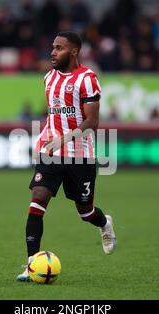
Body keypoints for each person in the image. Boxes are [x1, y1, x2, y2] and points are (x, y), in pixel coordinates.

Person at [16, 31, 117, 282]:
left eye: (59, 48)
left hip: (80, 155)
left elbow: (92, 121)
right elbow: (54, 113)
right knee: (37, 201)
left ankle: (105, 224)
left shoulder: (88, 79)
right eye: (52, 47)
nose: (52, 51)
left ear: (73, 52)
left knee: (85, 212)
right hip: (50, 152)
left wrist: (66, 137)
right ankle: (31, 265)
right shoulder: (48, 78)